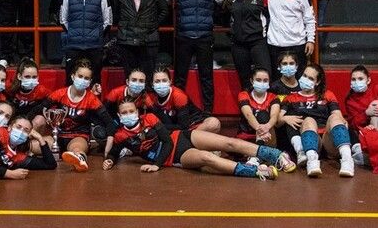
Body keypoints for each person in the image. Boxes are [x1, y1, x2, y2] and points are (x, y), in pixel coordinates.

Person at [103, 99, 295, 179]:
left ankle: (277, 155)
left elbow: (167, 141)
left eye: (131, 111)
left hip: (181, 138)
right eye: (124, 113)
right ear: (119, 116)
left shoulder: (150, 118)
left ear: (137, 112)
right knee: (207, 158)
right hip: (176, 157)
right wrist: (109, 159)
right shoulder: (121, 135)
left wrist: (156, 165)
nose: (128, 114)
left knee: (229, 142)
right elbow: (113, 151)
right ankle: (256, 172)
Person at [164, 0, 225, 113]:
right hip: (184, 36)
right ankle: (179, 111)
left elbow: (225, 0)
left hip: (205, 37)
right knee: (180, 78)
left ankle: (208, 112)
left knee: (207, 77)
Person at [278, 63, 355, 177]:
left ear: (317, 82)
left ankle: (347, 160)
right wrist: (285, 118)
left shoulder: (327, 95)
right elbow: (278, 121)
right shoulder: (291, 98)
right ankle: (312, 161)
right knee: (309, 120)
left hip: (328, 140)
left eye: (310, 78)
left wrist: (342, 122)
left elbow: (338, 115)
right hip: (310, 141)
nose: (306, 79)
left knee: (335, 117)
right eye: (304, 76)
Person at [42, 59, 116, 172]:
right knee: (36, 144)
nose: (82, 80)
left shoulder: (92, 100)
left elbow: (109, 122)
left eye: (86, 78)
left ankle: (80, 160)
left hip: (78, 136)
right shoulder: (59, 94)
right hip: (57, 136)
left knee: (76, 149)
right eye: (80, 76)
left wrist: (108, 150)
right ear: (73, 76)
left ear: (90, 81)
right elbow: (39, 109)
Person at [113, 0, 168, 79]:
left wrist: (153, 25)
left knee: (148, 78)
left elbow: (164, 11)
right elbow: (116, 12)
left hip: (149, 39)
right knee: (130, 78)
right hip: (126, 39)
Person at [265, 0, 316, 80]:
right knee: (277, 81)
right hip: (275, 45)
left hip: (297, 44)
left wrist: (310, 40)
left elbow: (309, 18)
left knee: (299, 81)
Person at [60, 0, 112, 84]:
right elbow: (63, 20)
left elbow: (108, 22)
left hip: (94, 46)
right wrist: (73, 33)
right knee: (71, 81)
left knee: (95, 82)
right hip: (73, 45)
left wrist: (96, 35)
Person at [223, 0, 270, 90]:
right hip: (239, 44)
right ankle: (247, 101)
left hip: (258, 41)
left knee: (264, 74)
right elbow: (224, 18)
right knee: (244, 80)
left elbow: (269, 15)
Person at [146, 66, 220, 133]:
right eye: (157, 81)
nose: (161, 84)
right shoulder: (150, 97)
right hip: (173, 127)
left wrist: (157, 127)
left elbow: (183, 126)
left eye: (164, 80)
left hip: (192, 124)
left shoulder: (178, 95)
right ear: (152, 84)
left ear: (170, 81)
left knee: (214, 123)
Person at [343, 65, 378, 165]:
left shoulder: (377, 89)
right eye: (353, 79)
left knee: (375, 104)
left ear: (368, 80)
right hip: (363, 131)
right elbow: (353, 123)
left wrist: (377, 110)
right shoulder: (349, 99)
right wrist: (366, 113)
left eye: (360, 79)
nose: (356, 82)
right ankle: (369, 152)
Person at [237, 68, 281, 158]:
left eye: (265, 80)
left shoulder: (273, 97)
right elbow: (248, 115)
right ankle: (259, 154)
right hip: (247, 134)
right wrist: (260, 129)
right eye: (258, 80)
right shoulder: (244, 95)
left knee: (263, 115)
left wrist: (267, 127)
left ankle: (257, 156)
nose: (262, 83)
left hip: (268, 136)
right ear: (251, 81)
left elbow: (274, 116)